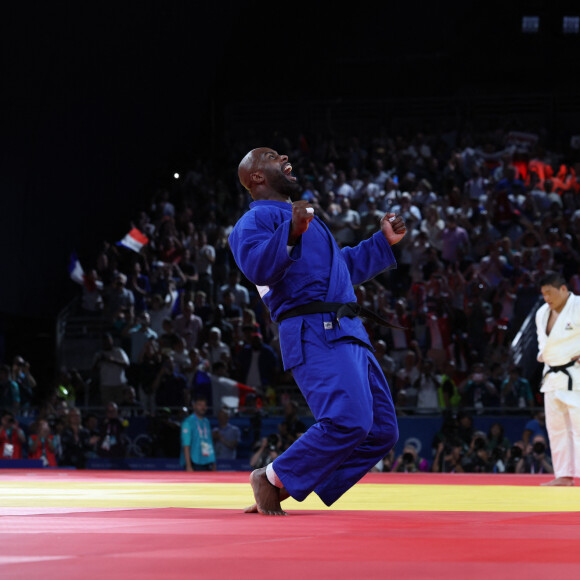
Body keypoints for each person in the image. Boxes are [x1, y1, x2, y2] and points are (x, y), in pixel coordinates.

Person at [228, 147, 406, 515]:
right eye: (272, 156)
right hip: (313, 329)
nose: (284, 157)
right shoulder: (253, 224)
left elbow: (341, 268)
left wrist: (381, 242)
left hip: (349, 331)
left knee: (381, 431)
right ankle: (273, 477)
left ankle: (287, 483)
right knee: (348, 420)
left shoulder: (304, 220)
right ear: (256, 177)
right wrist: (290, 233)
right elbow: (259, 268)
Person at [535, 272, 580, 486]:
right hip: (552, 377)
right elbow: (542, 344)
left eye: (550, 293)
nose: (547, 298)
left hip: (576, 376)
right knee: (557, 429)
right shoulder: (542, 313)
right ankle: (564, 475)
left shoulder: (578, 306)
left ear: (563, 289)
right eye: (543, 294)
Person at [181, 396, 216, 471]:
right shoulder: (188, 422)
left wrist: (213, 462)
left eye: (204, 405)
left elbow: (209, 442)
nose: (203, 407)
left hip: (207, 460)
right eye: (200, 405)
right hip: (194, 461)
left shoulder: (206, 421)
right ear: (194, 406)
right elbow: (186, 445)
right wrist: (188, 466)